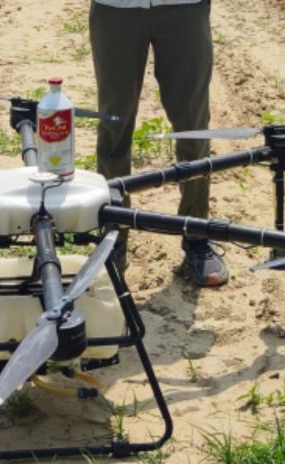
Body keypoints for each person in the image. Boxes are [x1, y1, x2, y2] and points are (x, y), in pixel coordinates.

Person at [89, 0, 228, 287]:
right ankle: (114, 233)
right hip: (116, 9)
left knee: (193, 127)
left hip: (184, 8)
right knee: (114, 125)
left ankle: (196, 234)